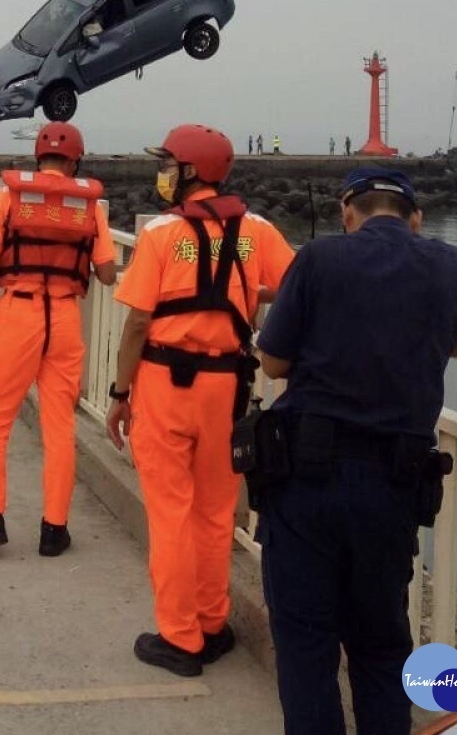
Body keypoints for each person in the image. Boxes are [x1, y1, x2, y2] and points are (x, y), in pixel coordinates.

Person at [253, 168, 457, 735]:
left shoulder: (320, 259)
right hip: (393, 487)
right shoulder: (456, 266)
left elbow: (274, 362)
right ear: (417, 219)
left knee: (307, 647)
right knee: (381, 647)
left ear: (347, 212)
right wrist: (429, 334)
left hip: (304, 482)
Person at [106, 124, 295, 677]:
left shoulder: (164, 233)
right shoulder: (254, 228)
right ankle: (213, 623)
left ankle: (179, 637)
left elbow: (139, 320)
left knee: (170, 513)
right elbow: (291, 285)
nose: (161, 173)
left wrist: (121, 393)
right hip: (228, 386)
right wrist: (246, 290)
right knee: (216, 512)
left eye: (168, 164)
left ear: (190, 172)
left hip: (167, 383)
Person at [0, 122, 118, 556]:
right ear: (76, 161)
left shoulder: (11, 196)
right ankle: (54, 530)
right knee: (59, 426)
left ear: (37, 157)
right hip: (65, 317)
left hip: (18, 312)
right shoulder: (89, 207)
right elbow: (107, 273)